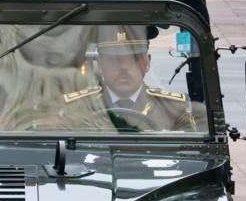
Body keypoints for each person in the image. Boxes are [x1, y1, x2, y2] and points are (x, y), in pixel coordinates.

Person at [60, 27, 200, 132]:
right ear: (100, 64)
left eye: (133, 58)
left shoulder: (175, 110)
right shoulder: (76, 108)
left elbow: (190, 159)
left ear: (147, 62)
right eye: (114, 59)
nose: (124, 67)